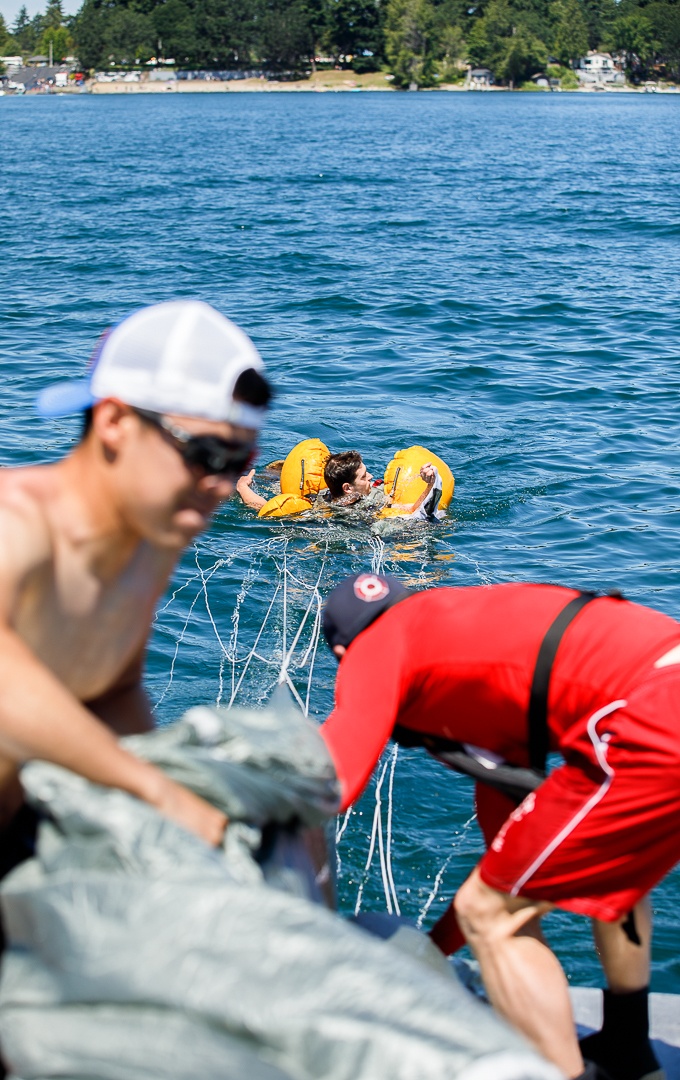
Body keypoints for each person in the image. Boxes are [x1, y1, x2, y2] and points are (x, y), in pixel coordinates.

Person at [320, 574, 679, 1080]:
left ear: (341, 650)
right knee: (609, 872)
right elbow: (506, 863)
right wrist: (431, 951)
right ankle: (627, 1045)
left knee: (492, 917)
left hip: (651, 717)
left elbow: (334, 779)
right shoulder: (448, 624)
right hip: (663, 683)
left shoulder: (377, 642)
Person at [0, 300, 272, 882]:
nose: (224, 486)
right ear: (115, 423)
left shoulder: (151, 541)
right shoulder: (14, 522)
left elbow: (113, 692)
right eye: (206, 456)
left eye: (240, 461)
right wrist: (157, 792)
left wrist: (172, 792)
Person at [237, 448, 439, 516]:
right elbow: (266, 508)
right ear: (347, 488)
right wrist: (241, 486)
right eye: (363, 476)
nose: (370, 477)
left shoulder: (376, 497)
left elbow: (412, 509)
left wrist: (429, 483)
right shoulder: (316, 508)